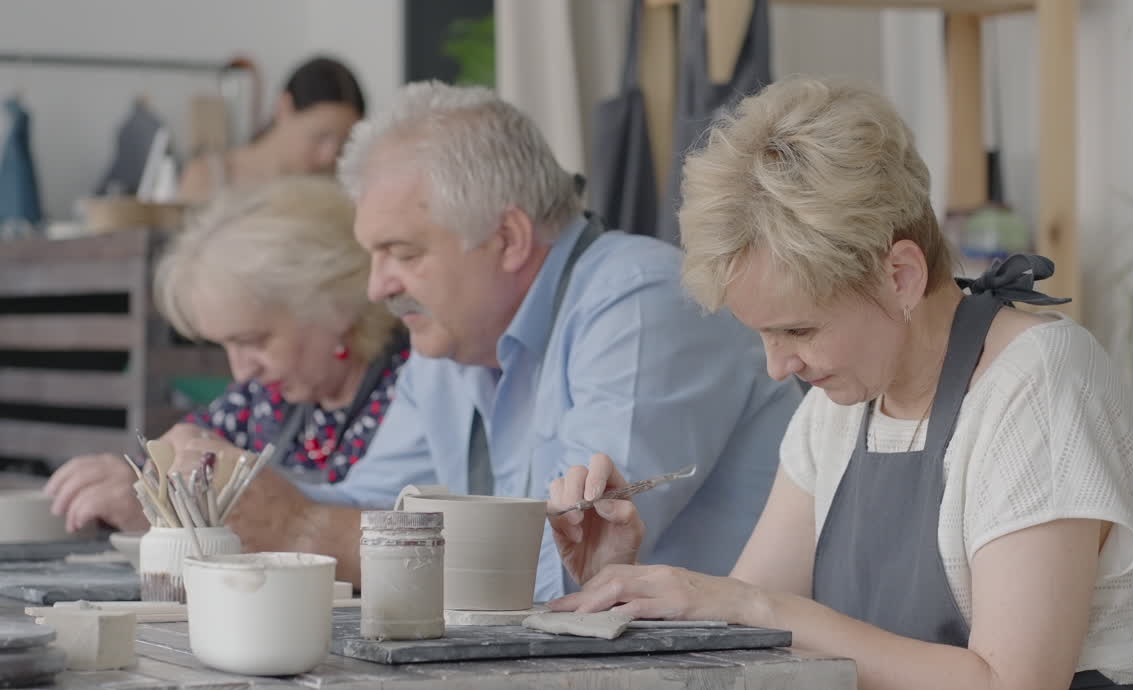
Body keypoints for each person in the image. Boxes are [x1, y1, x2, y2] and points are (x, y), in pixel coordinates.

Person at [547, 78, 1133, 690]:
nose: (777, 368)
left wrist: (763, 609)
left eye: (798, 329)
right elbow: (745, 644)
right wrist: (620, 583)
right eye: (763, 335)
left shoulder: (1035, 385)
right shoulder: (838, 409)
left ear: (900, 276)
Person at [306, 80, 801, 601]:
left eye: (403, 254)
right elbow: (368, 508)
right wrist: (247, 496)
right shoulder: (453, 339)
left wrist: (302, 530)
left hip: (725, 674)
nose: (377, 285)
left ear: (508, 239)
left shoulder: (641, 301)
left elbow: (559, 568)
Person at [45, 177, 408, 582]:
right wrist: (145, 495)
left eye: (253, 340)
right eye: (225, 347)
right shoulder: (264, 397)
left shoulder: (412, 390)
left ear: (335, 305)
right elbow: (180, 461)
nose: (241, 371)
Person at [178, 56, 365, 204]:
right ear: (284, 107)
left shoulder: (340, 189)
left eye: (343, 143)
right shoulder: (210, 176)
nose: (329, 156)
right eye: (320, 137)